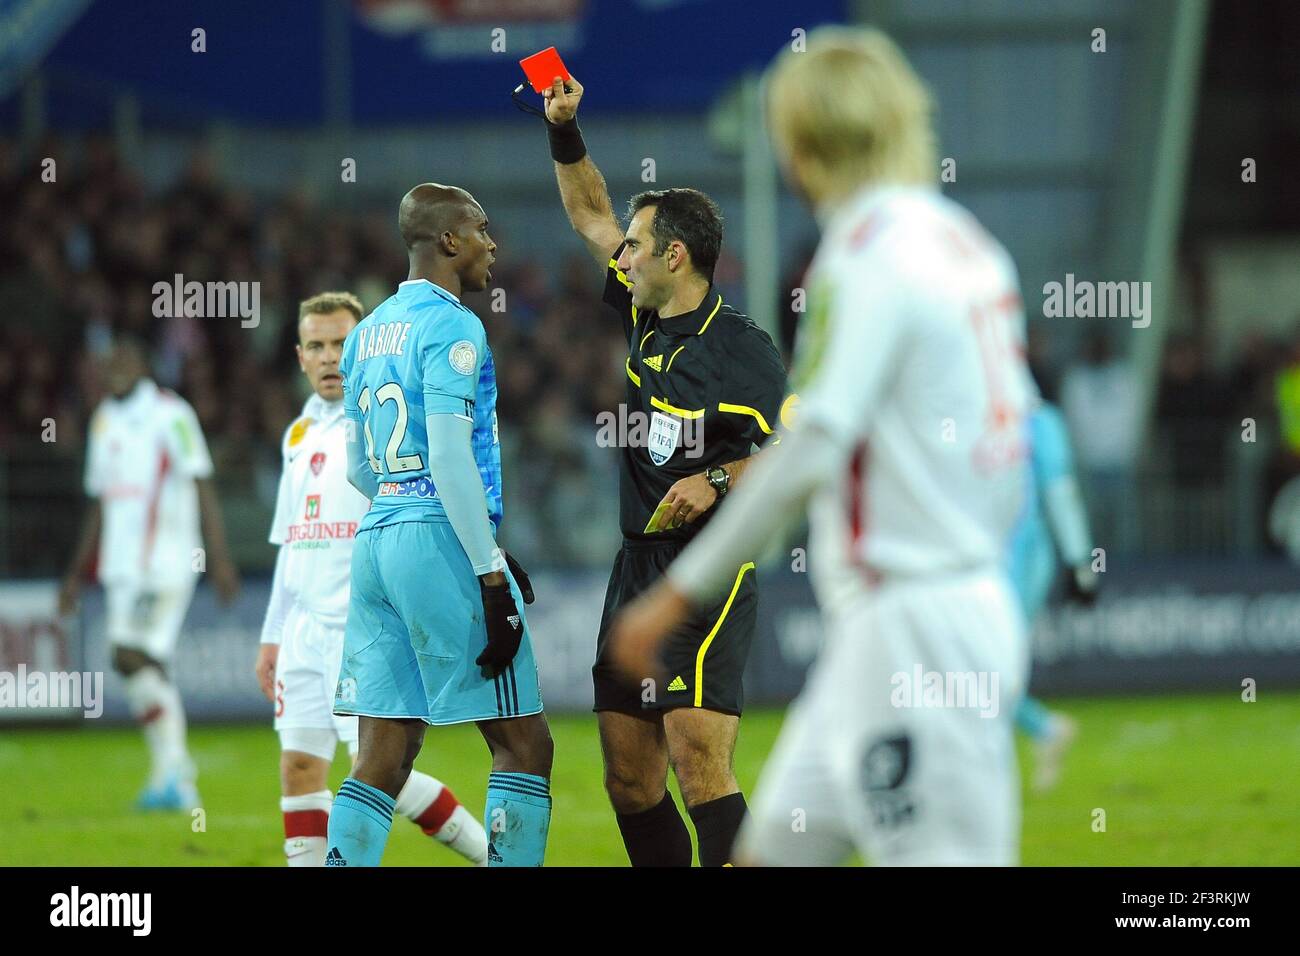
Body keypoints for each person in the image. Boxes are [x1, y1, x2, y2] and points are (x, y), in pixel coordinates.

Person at [609, 26, 1035, 865]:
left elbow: (811, 444)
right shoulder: (966, 245)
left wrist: (672, 592)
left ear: (799, 145)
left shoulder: (866, 255)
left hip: (914, 624)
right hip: (906, 618)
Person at [535, 75, 788, 865]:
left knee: (697, 762)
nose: (624, 254)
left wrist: (716, 481)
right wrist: (566, 129)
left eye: (638, 246)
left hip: (706, 567)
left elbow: (794, 454)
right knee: (631, 782)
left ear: (675, 256)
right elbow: (587, 212)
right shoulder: (641, 309)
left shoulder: (742, 351)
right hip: (634, 564)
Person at [324, 184, 553, 867]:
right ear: (448, 241)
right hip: (437, 538)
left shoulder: (367, 331)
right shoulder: (454, 326)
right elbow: (451, 454)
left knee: (381, 759)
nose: (492, 244)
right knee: (525, 745)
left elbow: (359, 465)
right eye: (481, 230)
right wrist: (484, 566)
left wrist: (408, 504)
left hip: (378, 541)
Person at [255, 290, 487, 866]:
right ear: (300, 355)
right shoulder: (297, 434)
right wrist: (273, 633)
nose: (330, 356)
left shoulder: (384, 421)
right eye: (317, 345)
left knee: (384, 773)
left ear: (362, 345)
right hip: (304, 630)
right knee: (300, 766)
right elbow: (292, 541)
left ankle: (489, 855)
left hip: (363, 626)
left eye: (340, 342)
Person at [60, 336, 240, 810]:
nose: (115, 368)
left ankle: (177, 770)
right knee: (146, 665)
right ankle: (171, 776)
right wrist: (76, 573)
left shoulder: (171, 414)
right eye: (108, 361)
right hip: (122, 567)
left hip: (166, 559)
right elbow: (100, 501)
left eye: (125, 359)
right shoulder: (104, 421)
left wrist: (219, 559)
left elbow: (201, 479)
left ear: (143, 364)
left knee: (127, 655)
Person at [1007, 399, 1099, 792]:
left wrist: (1080, 560)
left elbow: (1059, 489)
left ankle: (1043, 729)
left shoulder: (1035, 420)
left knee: (978, 668)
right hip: (978, 564)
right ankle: (1045, 729)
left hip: (1020, 561)